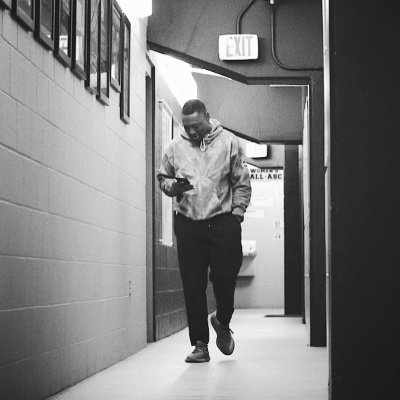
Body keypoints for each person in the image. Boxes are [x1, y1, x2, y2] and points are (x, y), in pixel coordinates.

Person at [157, 99, 251, 363]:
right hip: (188, 223)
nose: (193, 131)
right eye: (187, 127)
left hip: (223, 221)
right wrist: (171, 188)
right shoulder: (174, 147)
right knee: (193, 285)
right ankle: (200, 344)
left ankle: (222, 320)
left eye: (197, 125)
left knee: (225, 277)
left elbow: (241, 180)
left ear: (207, 117)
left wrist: (238, 213)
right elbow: (162, 177)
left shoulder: (229, 142)